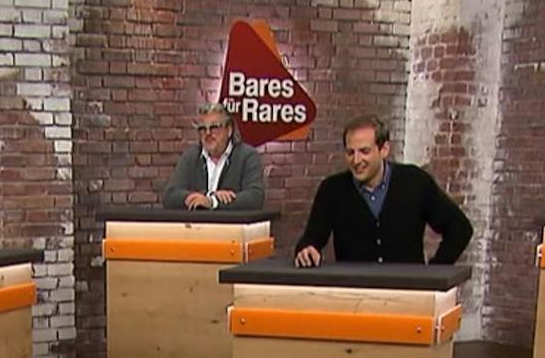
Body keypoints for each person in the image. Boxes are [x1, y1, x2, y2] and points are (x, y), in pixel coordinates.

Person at [293, 115, 472, 267]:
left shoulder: (415, 182)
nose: (356, 160)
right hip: (354, 293)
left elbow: (460, 229)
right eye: (350, 153)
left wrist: (434, 273)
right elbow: (311, 239)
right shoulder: (332, 190)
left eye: (364, 151)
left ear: (384, 149)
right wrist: (307, 249)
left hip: (406, 293)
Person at [161, 102, 266, 211]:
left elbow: (255, 197)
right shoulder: (191, 156)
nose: (207, 133)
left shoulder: (247, 156)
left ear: (229, 130)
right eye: (202, 128)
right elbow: (169, 196)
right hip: (196, 222)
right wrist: (206, 196)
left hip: (228, 222)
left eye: (214, 127)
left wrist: (214, 202)